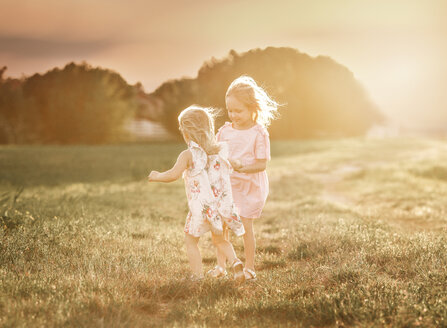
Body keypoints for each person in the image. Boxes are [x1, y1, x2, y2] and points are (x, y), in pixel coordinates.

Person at [148, 105, 245, 282]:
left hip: (201, 209)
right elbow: (232, 162)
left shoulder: (188, 155)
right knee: (220, 240)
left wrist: (156, 176)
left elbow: (173, 175)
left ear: (186, 133)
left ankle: (197, 276)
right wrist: (237, 164)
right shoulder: (217, 150)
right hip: (219, 206)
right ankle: (236, 262)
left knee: (191, 241)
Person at [213, 75, 278, 281]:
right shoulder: (224, 131)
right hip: (227, 185)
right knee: (222, 226)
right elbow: (215, 154)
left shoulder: (259, 133)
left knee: (245, 226)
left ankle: (249, 267)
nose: (233, 115)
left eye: (238, 111)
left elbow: (261, 164)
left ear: (252, 108)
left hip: (250, 186)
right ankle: (221, 266)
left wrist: (242, 168)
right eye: (230, 110)